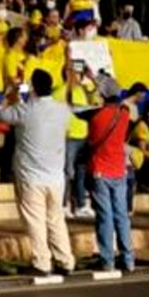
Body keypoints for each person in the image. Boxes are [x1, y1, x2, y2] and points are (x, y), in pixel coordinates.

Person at [0, 69, 76, 277]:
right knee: (56, 219)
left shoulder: (24, 110)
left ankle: (42, 262)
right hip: (56, 176)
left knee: (35, 221)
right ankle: (65, 260)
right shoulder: (62, 110)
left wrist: (10, 94)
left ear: (33, 88)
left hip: (31, 176)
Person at [85, 79, 148, 272]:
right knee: (122, 215)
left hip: (100, 170)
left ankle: (107, 260)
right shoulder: (124, 113)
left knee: (105, 216)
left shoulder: (96, 115)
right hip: (119, 169)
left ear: (102, 94)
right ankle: (128, 258)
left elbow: (79, 113)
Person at [64, 61, 97, 218]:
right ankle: (64, 204)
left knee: (81, 172)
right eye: (74, 72)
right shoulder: (61, 90)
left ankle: (81, 205)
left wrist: (92, 76)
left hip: (85, 136)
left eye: (79, 72)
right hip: (69, 137)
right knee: (67, 172)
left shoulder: (85, 89)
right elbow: (69, 100)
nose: (76, 75)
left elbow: (99, 97)